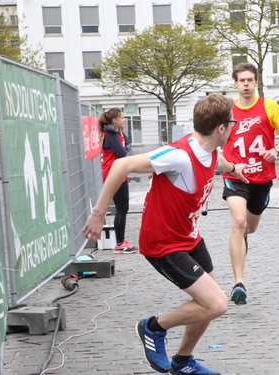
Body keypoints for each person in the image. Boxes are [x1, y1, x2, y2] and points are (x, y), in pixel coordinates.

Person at [83, 94, 248, 375]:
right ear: (220, 128)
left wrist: (235, 169)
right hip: (163, 242)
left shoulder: (208, 149)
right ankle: (152, 327)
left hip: (189, 235)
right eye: (231, 123)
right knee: (217, 303)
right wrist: (99, 213)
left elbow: (216, 161)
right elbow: (121, 165)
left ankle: (182, 362)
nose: (233, 127)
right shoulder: (179, 155)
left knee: (207, 302)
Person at [222, 62, 279, 305]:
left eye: (250, 80)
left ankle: (241, 243)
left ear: (257, 82)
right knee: (238, 222)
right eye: (242, 80)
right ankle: (238, 283)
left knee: (249, 228)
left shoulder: (269, 106)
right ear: (235, 83)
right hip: (235, 174)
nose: (246, 84)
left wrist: (276, 149)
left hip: (261, 177)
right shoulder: (226, 109)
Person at [99, 108, 137, 253]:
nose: (124, 120)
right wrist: (126, 148)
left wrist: (126, 147)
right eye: (122, 118)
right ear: (114, 120)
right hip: (113, 174)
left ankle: (121, 242)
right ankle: (120, 243)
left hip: (119, 172)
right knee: (121, 209)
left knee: (123, 208)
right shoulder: (110, 136)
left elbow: (128, 144)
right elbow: (122, 152)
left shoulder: (118, 133)